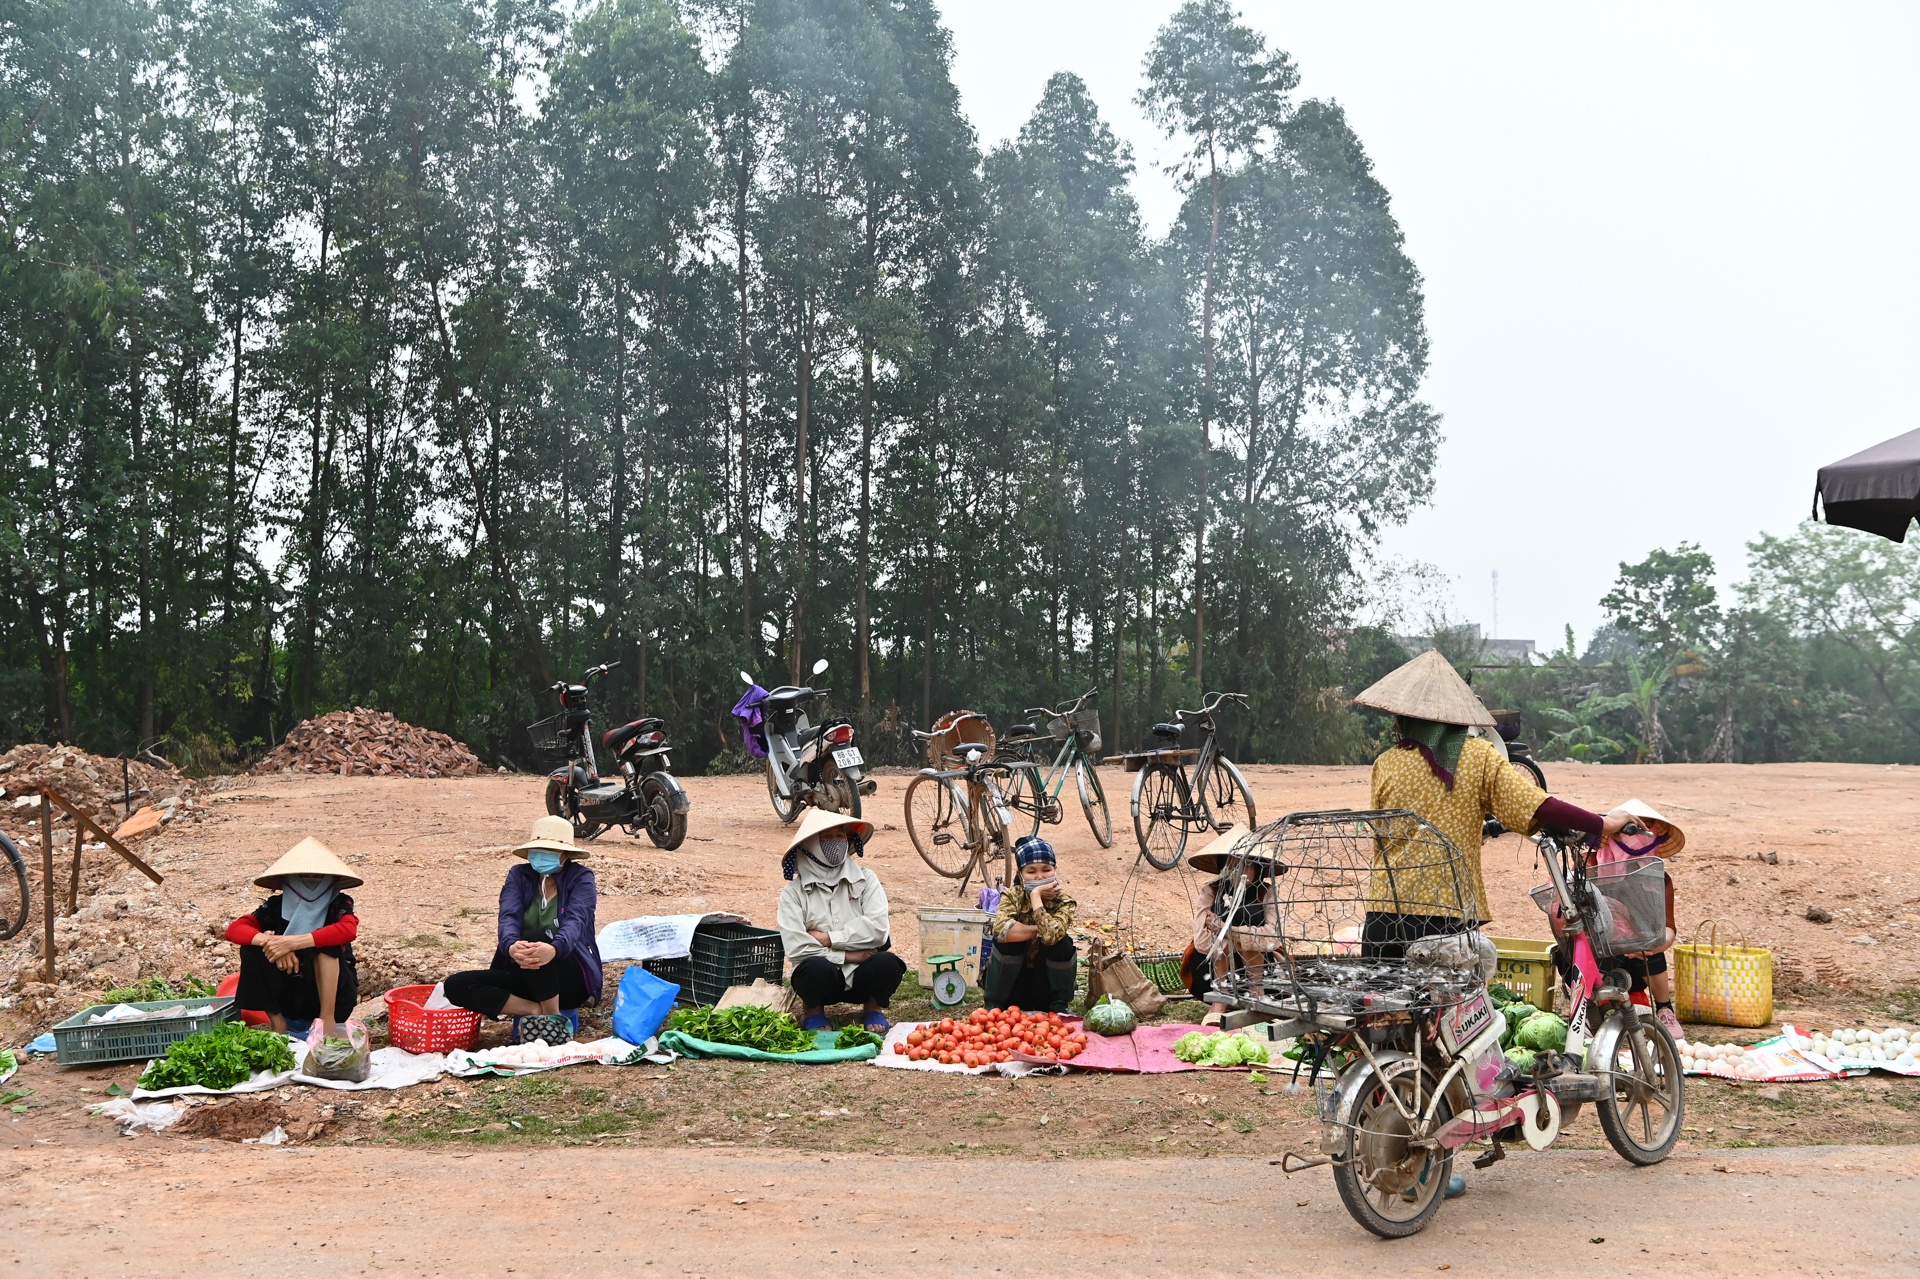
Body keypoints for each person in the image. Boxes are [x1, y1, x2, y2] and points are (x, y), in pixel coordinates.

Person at [1352, 650, 1627, 1199]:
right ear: (1458, 717)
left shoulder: (1385, 763)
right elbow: (1537, 807)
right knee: (1452, 1041)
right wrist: (1602, 823)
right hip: (1444, 925)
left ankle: (1396, 1158)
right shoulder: (1477, 758)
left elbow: (1395, 832)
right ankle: (1433, 1160)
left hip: (1382, 922)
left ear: (1403, 717)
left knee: (1395, 1038)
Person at [443, 815, 603, 1046]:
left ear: (566, 854)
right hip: (526, 974)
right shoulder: (519, 875)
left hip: (569, 979)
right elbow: (508, 916)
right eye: (538, 849)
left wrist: (554, 949)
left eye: (550, 850)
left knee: (536, 941)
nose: (542, 854)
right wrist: (511, 946)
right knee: (455, 985)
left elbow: (576, 921)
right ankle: (539, 1012)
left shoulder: (581, 878)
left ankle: (553, 1016)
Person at [777, 808, 905, 1032]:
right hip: (824, 978)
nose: (835, 842)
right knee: (812, 968)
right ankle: (813, 1012)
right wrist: (847, 955)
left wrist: (828, 939)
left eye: (840, 836)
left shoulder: (867, 880)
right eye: (826, 838)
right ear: (810, 846)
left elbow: (878, 930)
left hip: (862, 974)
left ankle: (873, 1008)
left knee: (889, 963)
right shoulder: (793, 894)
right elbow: (797, 948)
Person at [225, 837, 363, 1039]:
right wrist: (272, 944)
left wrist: (292, 942)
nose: (310, 882)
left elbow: (348, 929)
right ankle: (278, 1023)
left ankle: (326, 1023)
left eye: (317, 877)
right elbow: (236, 929)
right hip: (289, 994)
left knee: (327, 945)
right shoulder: (277, 905)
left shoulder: (339, 903)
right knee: (251, 949)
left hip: (334, 998)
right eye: (302, 876)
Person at [1595, 798, 1688, 1043]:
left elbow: (1669, 928)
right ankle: (1590, 1010)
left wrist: (1655, 945)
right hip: (1603, 953)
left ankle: (1665, 1008)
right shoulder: (1593, 866)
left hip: (1640, 961)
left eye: (1645, 828)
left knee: (1652, 942)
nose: (1636, 838)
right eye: (1630, 830)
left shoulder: (1659, 879)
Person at [1183, 830, 1283, 1027]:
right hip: (1210, 973)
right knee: (1225, 912)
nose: (1237, 870)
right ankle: (1221, 996)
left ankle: (1256, 991)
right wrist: (1232, 936)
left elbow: (1272, 938)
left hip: (1265, 973)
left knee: (1249, 915)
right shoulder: (1211, 890)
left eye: (1245, 864)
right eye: (1231, 864)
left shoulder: (1267, 892)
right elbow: (1202, 942)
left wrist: (1227, 930)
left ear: (1257, 867)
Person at [982, 836, 1077, 1013]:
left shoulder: (1065, 902)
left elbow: (1050, 938)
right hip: (1012, 984)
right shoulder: (1012, 896)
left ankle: (1058, 1007)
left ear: (1054, 870)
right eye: (1031, 871)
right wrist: (1041, 929)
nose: (1040, 876)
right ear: (1020, 875)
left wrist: (1035, 897)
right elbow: (1002, 930)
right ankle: (995, 1005)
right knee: (1008, 942)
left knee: (1062, 944)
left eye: (1046, 870)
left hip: (1044, 983)